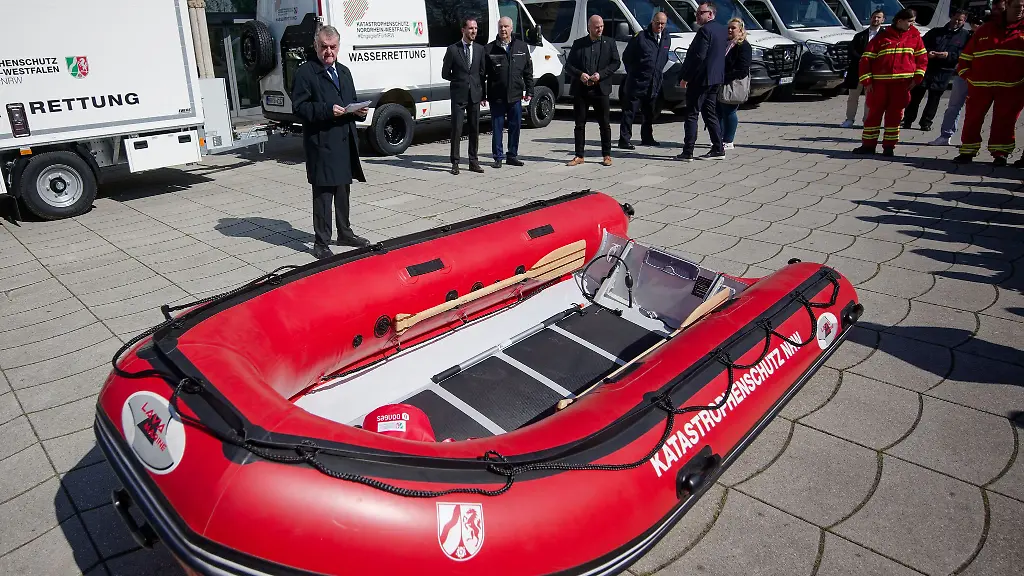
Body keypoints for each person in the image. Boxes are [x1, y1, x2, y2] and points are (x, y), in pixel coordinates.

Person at [291, 24, 370, 260]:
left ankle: (345, 233)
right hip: (322, 142)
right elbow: (299, 107)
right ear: (316, 46)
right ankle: (321, 241)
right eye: (324, 47)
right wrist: (326, 110)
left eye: (332, 47)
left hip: (345, 142)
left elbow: (351, 100)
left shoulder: (344, 71)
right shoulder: (306, 72)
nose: (328, 52)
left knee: (343, 190)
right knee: (324, 194)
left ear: (338, 46)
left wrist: (360, 112)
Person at [952, 0, 1024, 166]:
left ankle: (1001, 154)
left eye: (1023, 7)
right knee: (972, 119)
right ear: (1007, 5)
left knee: (1005, 121)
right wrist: (969, 77)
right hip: (980, 87)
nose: (1021, 10)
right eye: (1017, 6)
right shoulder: (986, 28)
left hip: (1011, 88)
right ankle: (967, 151)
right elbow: (966, 58)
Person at [853, 8, 928, 157]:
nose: (912, 25)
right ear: (899, 21)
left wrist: (917, 78)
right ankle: (868, 145)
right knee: (873, 115)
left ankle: (889, 147)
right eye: (910, 22)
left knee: (895, 117)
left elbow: (922, 60)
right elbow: (866, 60)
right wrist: (867, 81)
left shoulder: (915, 37)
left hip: (902, 85)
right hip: (879, 85)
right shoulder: (882, 37)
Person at [929, 0, 1004, 146]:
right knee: (954, 107)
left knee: (977, 111)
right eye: (975, 24)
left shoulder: (995, 36)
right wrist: (964, 72)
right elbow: (962, 55)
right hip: (964, 76)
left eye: (980, 24)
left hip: (984, 79)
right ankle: (946, 136)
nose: (977, 26)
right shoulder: (968, 36)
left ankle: (978, 141)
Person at [564, 15, 620, 167]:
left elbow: (616, 63)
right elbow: (568, 66)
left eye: (601, 26)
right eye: (596, 27)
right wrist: (580, 75)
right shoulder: (579, 44)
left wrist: (600, 75)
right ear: (589, 27)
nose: (600, 29)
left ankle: (607, 155)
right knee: (579, 124)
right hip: (582, 90)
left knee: (604, 124)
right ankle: (579, 155)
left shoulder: (610, 43)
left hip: (601, 90)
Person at [902, 9, 971, 131]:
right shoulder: (936, 32)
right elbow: (921, 46)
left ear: (964, 21)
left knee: (934, 99)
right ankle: (907, 120)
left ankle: (926, 123)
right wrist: (928, 53)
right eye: (956, 19)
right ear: (951, 17)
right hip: (928, 68)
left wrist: (949, 55)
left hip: (944, 71)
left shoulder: (966, 36)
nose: (957, 22)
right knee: (916, 96)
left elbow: (964, 53)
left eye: (960, 20)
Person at [677, 1, 727, 162]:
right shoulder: (721, 29)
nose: (697, 15)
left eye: (700, 12)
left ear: (710, 14)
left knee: (692, 113)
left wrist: (686, 77)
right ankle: (718, 148)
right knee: (710, 113)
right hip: (715, 78)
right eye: (697, 13)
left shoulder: (705, 30)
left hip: (701, 79)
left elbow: (699, 57)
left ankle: (688, 151)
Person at [483, 16, 535, 168]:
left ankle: (512, 155)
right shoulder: (489, 49)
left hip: (515, 96)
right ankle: (498, 157)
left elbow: (528, 71)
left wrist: (529, 90)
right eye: (501, 27)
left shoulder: (521, 47)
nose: (503, 29)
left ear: (512, 28)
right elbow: (482, 74)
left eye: (506, 27)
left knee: (515, 127)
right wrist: (483, 95)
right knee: (497, 128)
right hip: (497, 97)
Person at [618, 11, 671, 149]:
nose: (660, 26)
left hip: (654, 82)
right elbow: (627, 57)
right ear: (652, 22)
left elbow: (663, 57)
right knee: (630, 112)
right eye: (657, 23)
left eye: (662, 24)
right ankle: (624, 140)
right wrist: (634, 73)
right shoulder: (641, 37)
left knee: (649, 113)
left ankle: (647, 138)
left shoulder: (666, 38)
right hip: (637, 82)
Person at [441, 18, 486, 175]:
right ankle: (455, 162)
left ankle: (473, 161)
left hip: (474, 95)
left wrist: (482, 93)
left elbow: (482, 73)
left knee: (474, 129)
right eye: (471, 28)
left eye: (476, 28)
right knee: (457, 129)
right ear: (463, 30)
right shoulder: (453, 49)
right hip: (459, 95)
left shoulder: (480, 49)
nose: (474, 31)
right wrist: (459, 80)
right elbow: (445, 73)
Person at [841, 9, 884, 128]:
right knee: (852, 97)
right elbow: (851, 50)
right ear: (871, 18)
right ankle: (849, 119)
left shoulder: (885, 36)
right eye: (874, 17)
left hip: (875, 72)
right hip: (858, 71)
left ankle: (867, 120)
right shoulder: (860, 35)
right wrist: (862, 59)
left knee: (870, 98)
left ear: (883, 20)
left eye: (879, 17)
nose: (876, 19)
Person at [718, 17, 751, 150]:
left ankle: (728, 140)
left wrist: (725, 77)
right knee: (719, 111)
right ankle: (718, 137)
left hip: (733, 83)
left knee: (729, 111)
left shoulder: (743, 46)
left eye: (733, 28)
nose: (730, 30)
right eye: (729, 28)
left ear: (741, 30)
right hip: (722, 82)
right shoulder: (727, 43)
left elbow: (742, 69)